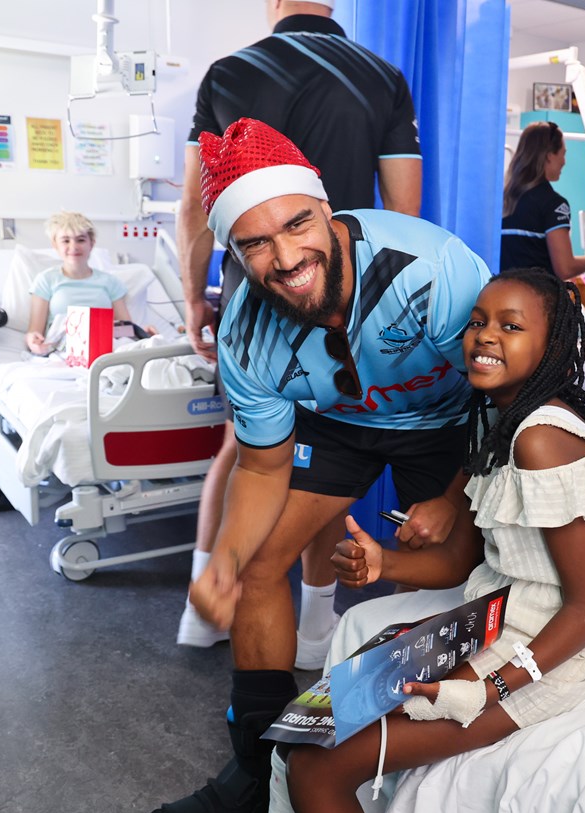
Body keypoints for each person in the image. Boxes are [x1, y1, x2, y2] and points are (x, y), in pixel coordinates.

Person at [149, 118, 490, 813]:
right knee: (257, 569)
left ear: (327, 211)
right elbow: (263, 469)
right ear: (237, 253)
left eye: (297, 224)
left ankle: (442, 750)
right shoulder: (244, 332)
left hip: (454, 424)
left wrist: (454, 494)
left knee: (469, 566)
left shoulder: (428, 269)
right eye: (255, 243)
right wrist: (224, 559)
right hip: (340, 426)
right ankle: (257, 771)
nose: (285, 255)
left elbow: (503, 396)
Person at [283, 267, 585, 813]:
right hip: (490, 620)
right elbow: (457, 561)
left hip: (552, 650)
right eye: (477, 322)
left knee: (316, 764)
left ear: (553, 346)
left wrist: (489, 686)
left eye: (511, 326)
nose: (485, 335)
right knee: (310, 730)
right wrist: (384, 563)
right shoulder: (494, 422)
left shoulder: (542, 440)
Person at [175, 0, 423, 654]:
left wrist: (195, 301)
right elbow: (403, 208)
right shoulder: (382, 75)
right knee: (323, 458)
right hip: (339, 292)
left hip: (251, 293)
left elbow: (196, 213)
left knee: (242, 449)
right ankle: (316, 622)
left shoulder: (227, 72)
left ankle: (203, 610)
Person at [500, 121, 585, 282]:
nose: (564, 161)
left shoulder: (503, 201)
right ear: (549, 155)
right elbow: (565, 269)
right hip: (536, 299)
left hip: (501, 295)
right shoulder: (554, 204)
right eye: (563, 154)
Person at [24, 212, 129, 355]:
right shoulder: (46, 280)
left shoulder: (110, 282)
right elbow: (35, 331)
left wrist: (144, 334)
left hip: (104, 350)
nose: (73, 247)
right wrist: (33, 341)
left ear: (91, 243)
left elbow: (127, 329)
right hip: (63, 351)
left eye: (80, 240)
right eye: (66, 241)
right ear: (55, 244)